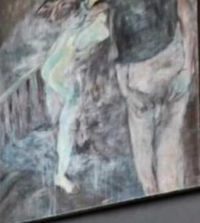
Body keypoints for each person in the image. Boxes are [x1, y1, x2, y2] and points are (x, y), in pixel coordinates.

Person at [107, 0, 196, 195]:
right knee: (170, 138)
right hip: (171, 62)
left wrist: (121, 75)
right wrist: (189, 64)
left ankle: (152, 195)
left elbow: (115, 29)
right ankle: (171, 195)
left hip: (137, 73)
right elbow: (186, 14)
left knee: (142, 142)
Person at [40, 0, 111, 194]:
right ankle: (61, 173)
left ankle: (62, 170)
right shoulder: (87, 27)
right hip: (62, 80)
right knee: (66, 125)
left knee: (65, 125)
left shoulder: (88, 24)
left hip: (59, 76)